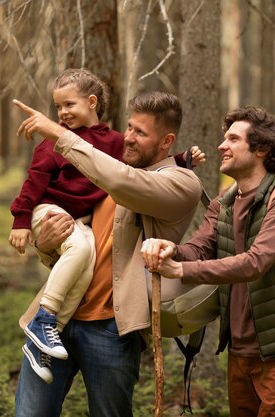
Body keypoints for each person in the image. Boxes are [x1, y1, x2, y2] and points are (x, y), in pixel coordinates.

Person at [12, 91, 203, 417]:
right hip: (56, 320)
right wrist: (45, 245)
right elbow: (75, 245)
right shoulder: (105, 175)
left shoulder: (181, 183)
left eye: (140, 133)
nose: (127, 137)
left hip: (112, 329)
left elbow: (122, 180)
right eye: (128, 127)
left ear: (166, 141)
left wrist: (59, 133)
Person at [141, 106, 275, 417]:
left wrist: (181, 270)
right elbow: (199, 248)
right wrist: (170, 249)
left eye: (233, 139)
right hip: (240, 350)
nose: (222, 146)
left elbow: (255, 262)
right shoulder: (225, 202)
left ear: (261, 148)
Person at [9, 68, 123, 380]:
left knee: (87, 258)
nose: (62, 113)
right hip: (45, 209)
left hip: (74, 220)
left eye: (69, 105)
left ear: (92, 102)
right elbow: (33, 182)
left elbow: (142, 164)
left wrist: (181, 161)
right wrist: (21, 220)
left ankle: (43, 341)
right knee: (80, 245)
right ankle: (43, 319)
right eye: (58, 107)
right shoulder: (52, 141)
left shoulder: (114, 141)